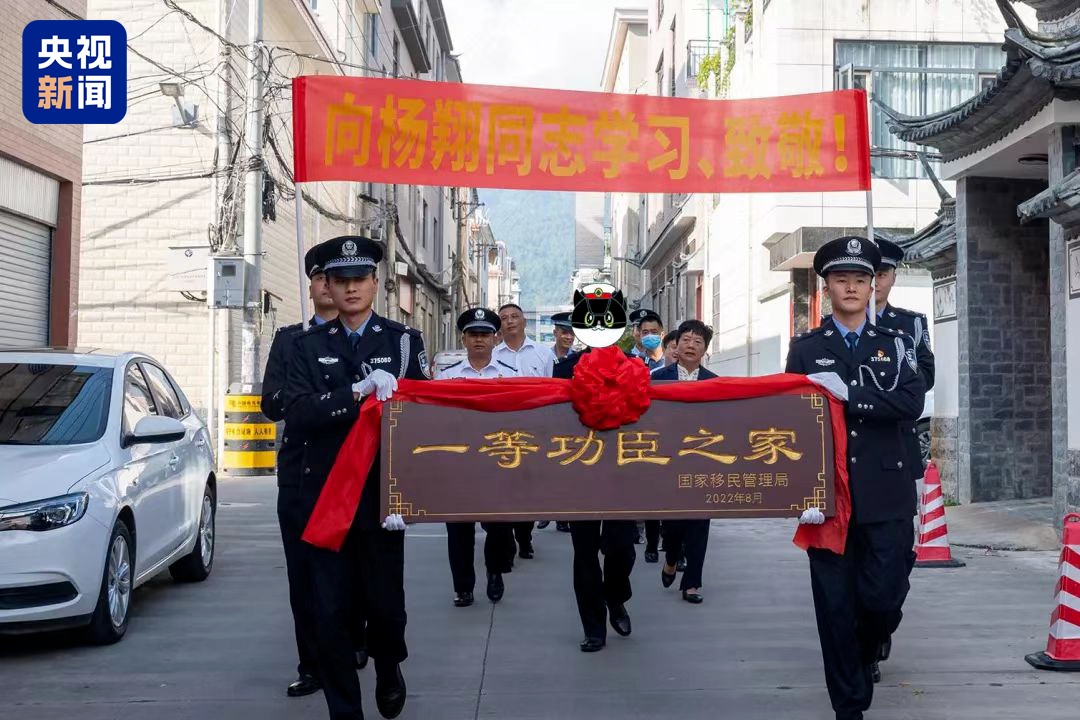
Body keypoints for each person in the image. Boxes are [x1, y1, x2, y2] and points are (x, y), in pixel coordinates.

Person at [285, 235, 428, 720]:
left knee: (386, 610)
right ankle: (345, 711)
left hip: (380, 498)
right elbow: (299, 413)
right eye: (339, 280)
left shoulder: (403, 342)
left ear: (375, 283)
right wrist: (356, 392)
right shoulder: (304, 346)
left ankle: (389, 667)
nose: (349, 289)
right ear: (327, 284)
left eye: (359, 280)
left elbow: (424, 417)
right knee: (328, 615)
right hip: (325, 499)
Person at [786, 236, 926, 720]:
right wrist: (797, 487)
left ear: (873, 286)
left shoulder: (897, 343)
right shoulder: (805, 348)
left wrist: (852, 395)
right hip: (827, 497)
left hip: (887, 493)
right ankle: (849, 708)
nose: (851, 287)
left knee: (883, 599)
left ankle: (870, 649)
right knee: (834, 607)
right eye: (841, 279)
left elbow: (911, 402)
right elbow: (791, 425)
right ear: (827, 288)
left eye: (860, 279)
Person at [263, 243, 364, 698]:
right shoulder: (290, 340)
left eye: (339, 278)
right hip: (303, 473)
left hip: (358, 469)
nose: (330, 285)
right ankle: (312, 663)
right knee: (304, 575)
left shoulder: (363, 337)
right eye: (322, 277)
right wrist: (307, 401)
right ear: (312, 284)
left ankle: (353, 643)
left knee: (357, 569)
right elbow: (272, 404)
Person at [868, 237, 935, 681]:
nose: (874, 283)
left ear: (892, 277)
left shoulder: (909, 325)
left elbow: (924, 379)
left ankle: (882, 622)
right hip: (851, 455)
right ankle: (864, 641)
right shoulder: (826, 329)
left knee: (897, 557)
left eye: (883, 274)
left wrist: (876, 395)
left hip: (898, 451)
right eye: (865, 275)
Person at [553, 349, 636, 652]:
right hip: (580, 472)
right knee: (585, 553)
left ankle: (615, 597)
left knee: (622, 548)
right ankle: (593, 627)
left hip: (622, 473)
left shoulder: (630, 365)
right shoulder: (565, 367)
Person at [438, 307, 518, 607]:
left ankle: (495, 572)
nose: (479, 340)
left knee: (497, 526)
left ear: (495, 338)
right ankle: (463, 586)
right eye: (474, 335)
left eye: (485, 334)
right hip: (458, 463)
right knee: (458, 528)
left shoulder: (510, 377)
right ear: (463, 339)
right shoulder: (447, 378)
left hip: (496, 462)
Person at [652, 320, 718, 604]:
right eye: (686, 340)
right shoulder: (657, 378)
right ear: (675, 345)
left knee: (700, 524)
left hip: (702, 462)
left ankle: (692, 583)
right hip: (667, 463)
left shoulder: (714, 382)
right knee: (674, 525)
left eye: (698, 342)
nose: (691, 345)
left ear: (705, 350)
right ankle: (671, 558)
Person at [494, 302, 555, 558]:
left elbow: (553, 391)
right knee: (503, 487)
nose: (510, 321)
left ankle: (524, 534)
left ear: (524, 322)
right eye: (504, 318)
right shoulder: (493, 356)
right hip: (501, 431)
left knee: (529, 487)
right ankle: (505, 538)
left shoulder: (543, 354)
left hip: (534, 428)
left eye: (514, 317)